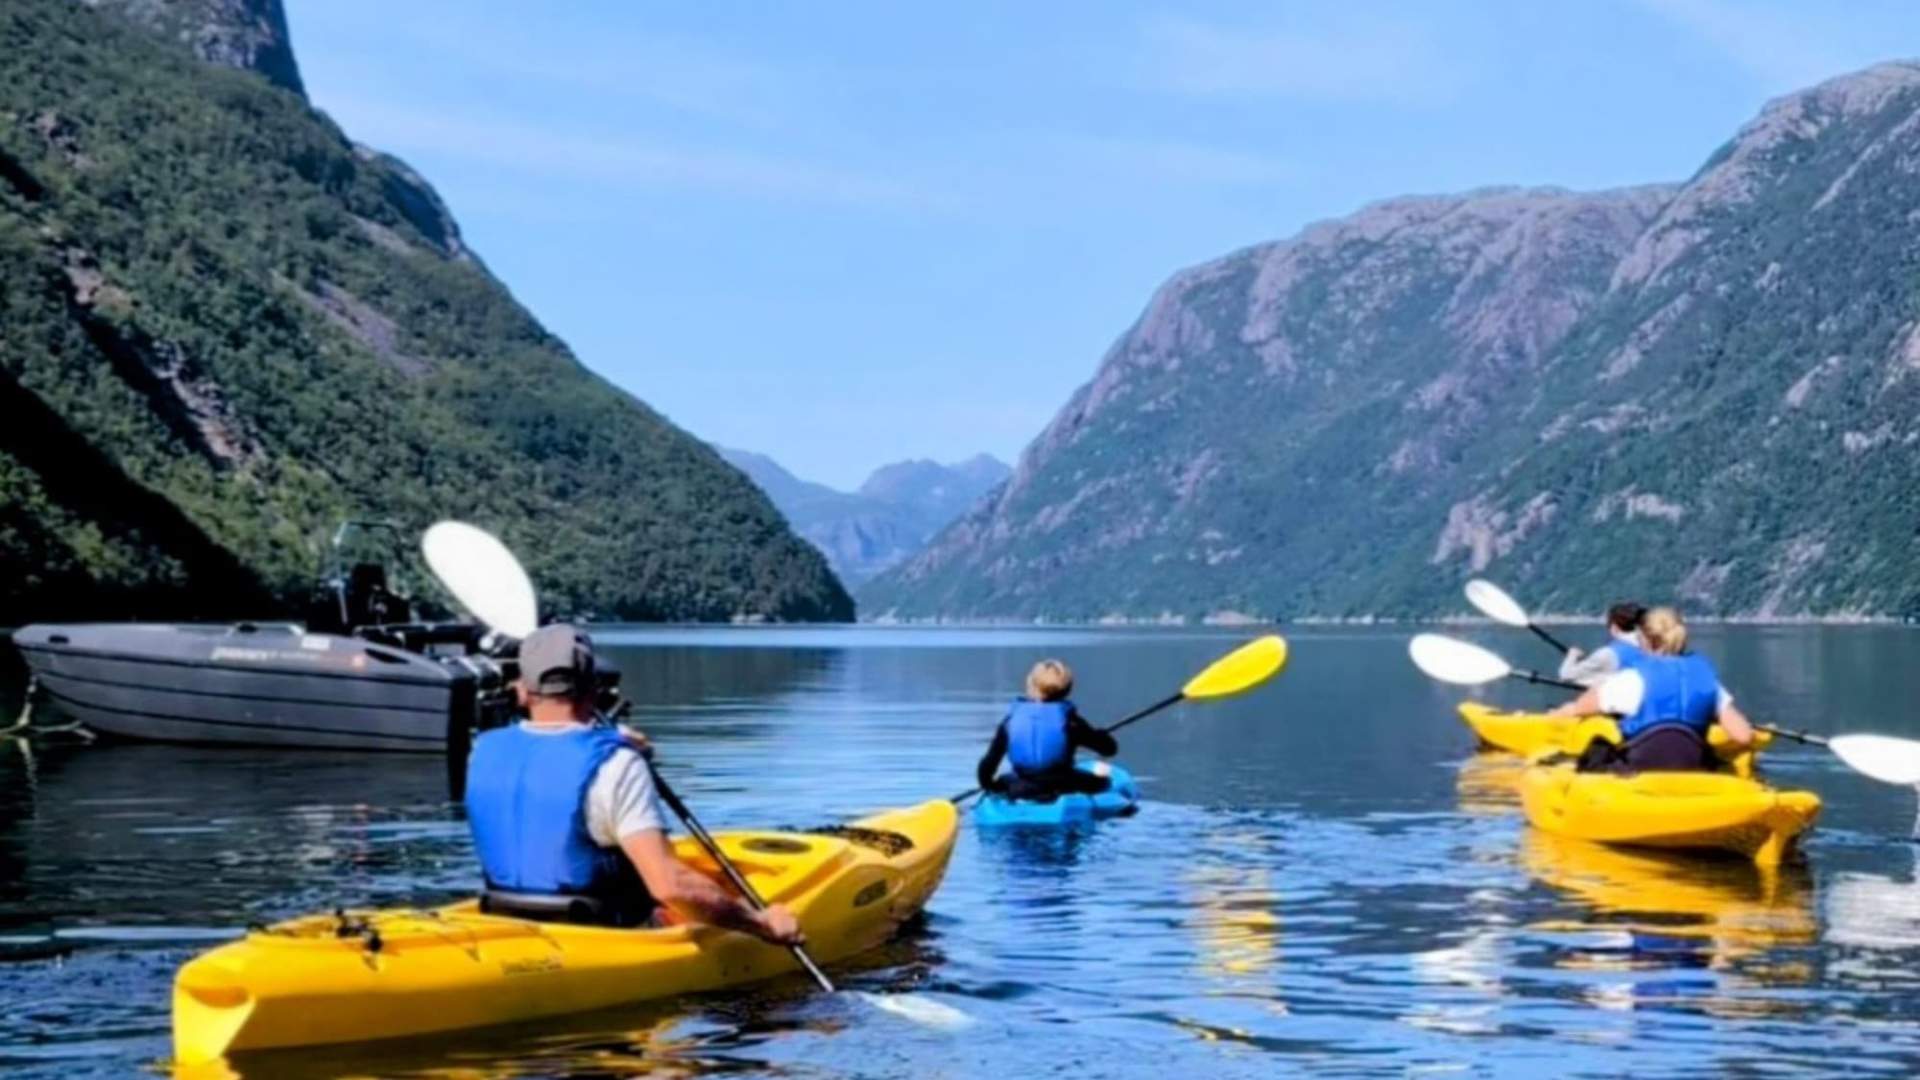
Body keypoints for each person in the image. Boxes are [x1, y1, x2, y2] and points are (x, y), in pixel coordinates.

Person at [463, 624, 802, 944]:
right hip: (605, 934)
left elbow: (547, 759)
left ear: (522, 691)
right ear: (595, 687)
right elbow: (670, 887)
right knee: (694, 899)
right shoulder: (617, 765)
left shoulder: (482, 751)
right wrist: (760, 923)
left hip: (506, 919)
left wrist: (616, 744)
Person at [1552, 606, 1755, 772]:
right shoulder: (1708, 681)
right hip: (1692, 768)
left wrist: (1559, 713)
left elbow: (1580, 707)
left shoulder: (1632, 679)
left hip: (1640, 770)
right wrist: (1710, 714)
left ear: (1647, 640)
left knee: (1598, 748)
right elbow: (1744, 735)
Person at [975, 659, 1118, 800]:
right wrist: (1101, 735)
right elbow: (1109, 749)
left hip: (1021, 788)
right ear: (1067, 689)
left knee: (1003, 781)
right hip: (1063, 786)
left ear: (1032, 685)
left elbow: (988, 765)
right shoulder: (1071, 722)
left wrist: (990, 786)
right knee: (1104, 783)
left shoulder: (1010, 722)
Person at [1558, 601, 1648, 687]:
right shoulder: (1653, 647)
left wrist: (1572, 655)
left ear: (1614, 627)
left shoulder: (1607, 654)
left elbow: (1566, 676)